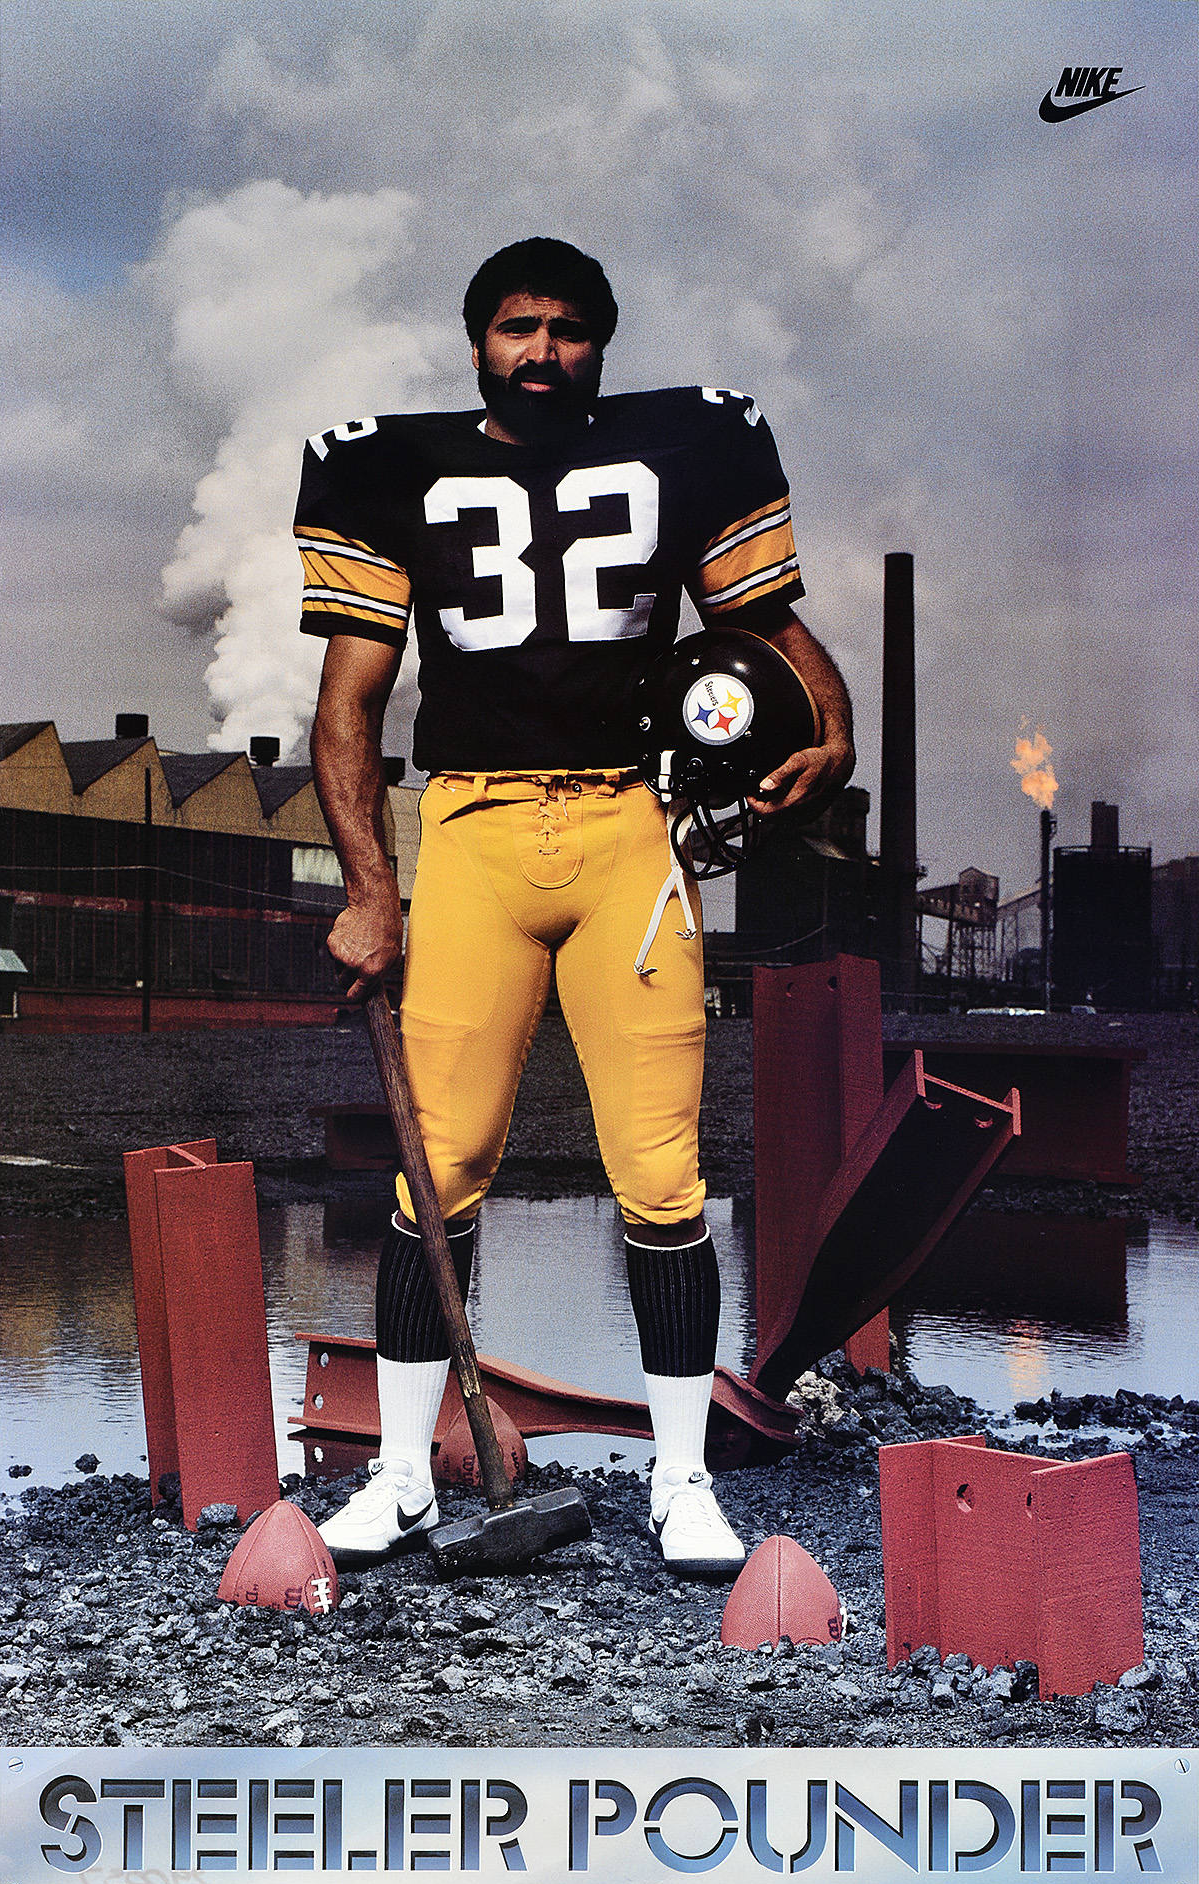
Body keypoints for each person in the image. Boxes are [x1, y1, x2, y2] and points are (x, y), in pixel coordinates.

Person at [295, 237, 854, 1574]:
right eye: (515, 328)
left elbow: (771, 627)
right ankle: (403, 1477)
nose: (541, 350)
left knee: (662, 1176)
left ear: (602, 343)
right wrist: (374, 890)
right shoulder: (389, 467)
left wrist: (830, 726)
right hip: (474, 831)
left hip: (626, 826)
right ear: (475, 339)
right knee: (436, 1171)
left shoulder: (682, 450)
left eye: (566, 330)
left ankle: (680, 1483)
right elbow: (349, 705)